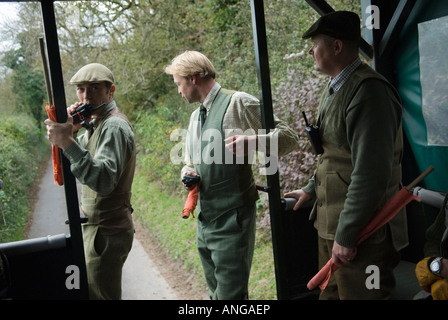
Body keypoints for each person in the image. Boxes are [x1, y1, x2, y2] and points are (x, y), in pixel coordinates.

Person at [284, 11, 408, 299]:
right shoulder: (336, 89)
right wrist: (311, 190)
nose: (311, 52)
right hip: (334, 225)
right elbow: (335, 154)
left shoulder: (369, 92)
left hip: (365, 234)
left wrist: (347, 233)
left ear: (337, 47)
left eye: (315, 45)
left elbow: (371, 174)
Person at [165, 50, 299, 299]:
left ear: (193, 77)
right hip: (204, 223)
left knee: (230, 298)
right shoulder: (196, 117)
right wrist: (188, 173)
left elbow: (290, 138)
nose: (178, 91)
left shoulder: (238, 102)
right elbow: (189, 161)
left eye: (178, 84)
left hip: (233, 219)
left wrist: (254, 142)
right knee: (218, 293)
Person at [44, 63, 136, 300]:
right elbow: (75, 167)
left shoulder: (113, 126)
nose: (86, 96)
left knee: (100, 296)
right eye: (81, 90)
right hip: (96, 229)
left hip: (106, 231)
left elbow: (103, 180)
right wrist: (72, 131)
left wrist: (67, 141)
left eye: (94, 89)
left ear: (110, 90)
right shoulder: (96, 125)